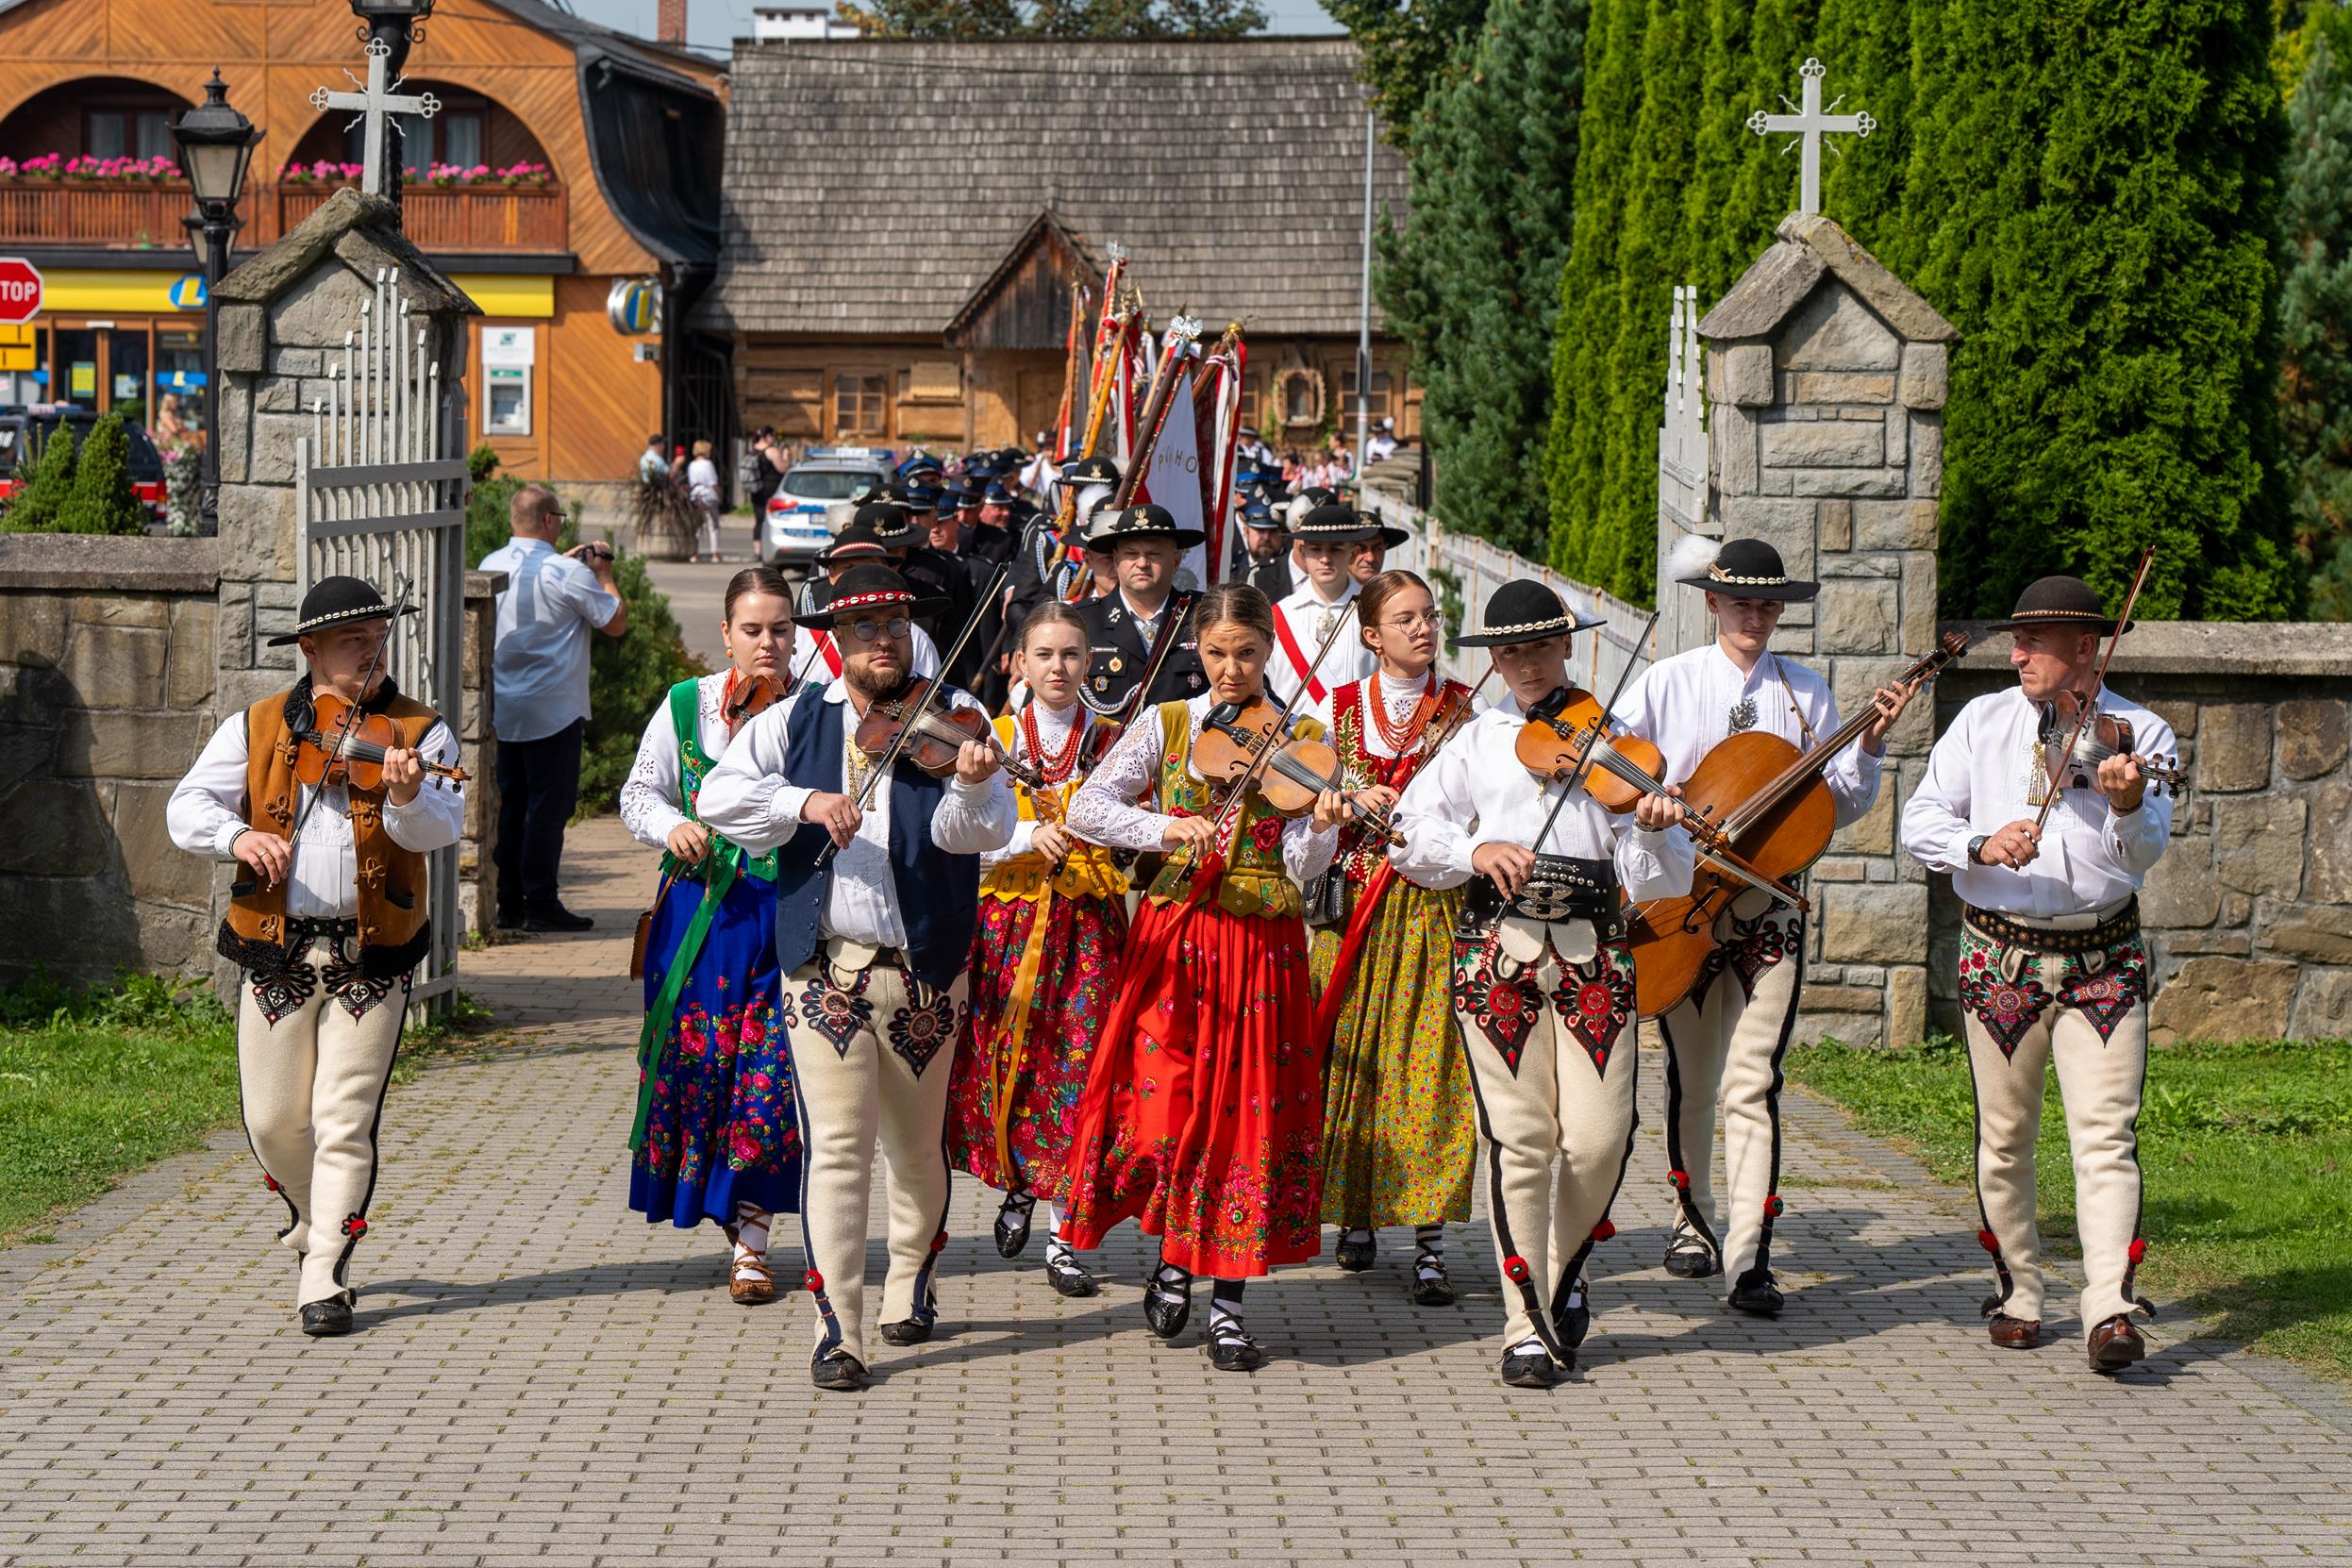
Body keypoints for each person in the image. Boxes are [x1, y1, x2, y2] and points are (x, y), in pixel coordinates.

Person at [696, 563, 1013, 1393]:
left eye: (896, 622)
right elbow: (718, 797)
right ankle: (838, 1326)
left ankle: (911, 1277)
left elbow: (973, 832)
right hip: (821, 970)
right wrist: (802, 803)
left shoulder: (954, 720)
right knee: (836, 1152)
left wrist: (975, 783)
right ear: (832, 639)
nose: (885, 638)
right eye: (866, 626)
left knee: (913, 1149)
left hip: (924, 973)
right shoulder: (793, 719)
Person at [1390, 580, 1693, 1388]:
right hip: (1497, 952)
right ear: (1493, 660)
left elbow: (1659, 880)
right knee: (1518, 1141)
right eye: (1509, 650)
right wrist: (1472, 854)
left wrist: (1653, 830)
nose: (1524, 663)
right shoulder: (1477, 738)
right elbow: (1409, 829)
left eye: (1537, 646)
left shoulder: (1617, 738)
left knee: (1596, 1140)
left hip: (1596, 953)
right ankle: (1525, 1321)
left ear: (1568, 647)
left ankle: (1563, 1268)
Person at [1058, 582, 1354, 1373]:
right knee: (1166, 1111)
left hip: (1262, 949)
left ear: (1270, 652)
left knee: (1246, 1124)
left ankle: (1226, 1302)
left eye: (1248, 653)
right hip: (1176, 942)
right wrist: (1165, 825)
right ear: (1197, 647)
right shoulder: (1168, 722)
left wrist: (1321, 829)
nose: (1232, 669)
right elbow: (1088, 807)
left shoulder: (1306, 738)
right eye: (1218, 652)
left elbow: (1298, 864)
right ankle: (1171, 1256)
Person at [1616, 537, 1917, 1318]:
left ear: (1780, 610)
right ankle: (1690, 1216)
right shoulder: (1666, 682)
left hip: (1767, 908)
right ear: (1712, 603)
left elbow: (1834, 806)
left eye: (1767, 603)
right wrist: (1656, 797)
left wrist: (1871, 742)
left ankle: (1749, 1257)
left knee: (1752, 1081)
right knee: (1692, 1076)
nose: (1754, 614)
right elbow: (1614, 777)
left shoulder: (1805, 693)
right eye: (1740, 600)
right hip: (1683, 903)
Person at [166, 576, 463, 1337]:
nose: (370, 653)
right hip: (278, 949)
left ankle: (324, 1272)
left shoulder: (418, 732)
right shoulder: (259, 724)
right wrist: (237, 838)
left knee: (343, 1116)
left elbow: (437, 830)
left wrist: (403, 798)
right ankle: (310, 1209)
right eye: (351, 641)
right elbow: (186, 807)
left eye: (376, 638)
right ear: (310, 650)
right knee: (271, 1120)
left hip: (371, 954)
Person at [1899, 575, 2175, 1374]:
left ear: (2085, 649)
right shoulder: (1980, 722)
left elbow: (2144, 854)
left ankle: (2109, 1305)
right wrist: (1979, 845)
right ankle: (2020, 1289)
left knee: (2104, 1136)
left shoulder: (2140, 735)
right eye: (2015, 639)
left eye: (2034, 642)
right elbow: (1921, 820)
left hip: (2103, 959)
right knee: (2004, 1137)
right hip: (2001, 955)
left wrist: (2125, 806)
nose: (2016, 653)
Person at [618, 566, 807, 1306]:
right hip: (702, 918)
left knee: (771, 1071)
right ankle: (728, 1217)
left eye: (781, 630)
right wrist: (672, 824)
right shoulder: (685, 705)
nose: (767, 643)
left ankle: (753, 1241)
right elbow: (639, 790)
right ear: (725, 635)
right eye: (752, 630)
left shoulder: (818, 709)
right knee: (702, 1072)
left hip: (789, 909)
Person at [1302, 570, 1484, 1306]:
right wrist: (1340, 800)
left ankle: (1430, 1239)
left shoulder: (1467, 713)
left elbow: (1483, 804)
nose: (1423, 628)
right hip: (1350, 912)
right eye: (1405, 619)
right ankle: (1354, 1212)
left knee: (1428, 1070)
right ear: (1372, 636)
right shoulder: (1336, 710)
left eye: (1429, 616)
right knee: (1353, 1068)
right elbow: (1300, 795)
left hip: (1431, 910)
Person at [946, 603, 1129, 1300]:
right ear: (1018, 663)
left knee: (1080, 1074)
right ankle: (1018, 1182)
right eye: (1045, 654)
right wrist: (1024, 838)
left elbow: (1137, 823)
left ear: (1088, 663)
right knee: (1010, 1067)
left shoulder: (1112, 740)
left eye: (1072, 655)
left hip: (1089, 931)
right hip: (1009, 927)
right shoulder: (986, 739)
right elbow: (956, 832)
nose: (1058, 667)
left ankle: (1064, 1232)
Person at [479, 485, 626, 931]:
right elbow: (615, 622)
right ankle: (540, 902)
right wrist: (601, 572)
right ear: (548, 520)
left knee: (510, 805)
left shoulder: (491, 564)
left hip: (501, 707)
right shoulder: (568, 574)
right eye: (559, 516)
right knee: (547, 809)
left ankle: (507, 903)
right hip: (553, 709)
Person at [1076, 504, 1210, 715]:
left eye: (1153, 554)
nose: (1142, 563)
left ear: (1175, 562)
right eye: (1131, 554)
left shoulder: (1207, 615)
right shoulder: (1081, 622)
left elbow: (1250, 690)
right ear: (1116, 560)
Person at [1267, 503, 1402, 709]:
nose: (1325, 559)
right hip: (1288, 737)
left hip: (1355, 737)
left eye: (1335, 549)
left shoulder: (1375, 615)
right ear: (1303, 552)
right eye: (1316, 549)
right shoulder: (1278, 616)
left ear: (1352, 552)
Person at [796, 509, 944, 685]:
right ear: (831, 574)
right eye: (849, 568)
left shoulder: (914, 637)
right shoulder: (803, 635)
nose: (860, 577)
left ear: (888, 569)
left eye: (869, 566)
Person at [687, 440, 724, 562]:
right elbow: (713, 483)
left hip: (696, 496)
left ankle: (695, 553)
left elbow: (691, 482)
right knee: (713, 525)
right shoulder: (708, 464)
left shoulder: (692, 465)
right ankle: (714, 553)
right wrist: (719, 494)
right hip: (709, 496)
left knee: (697, 526)